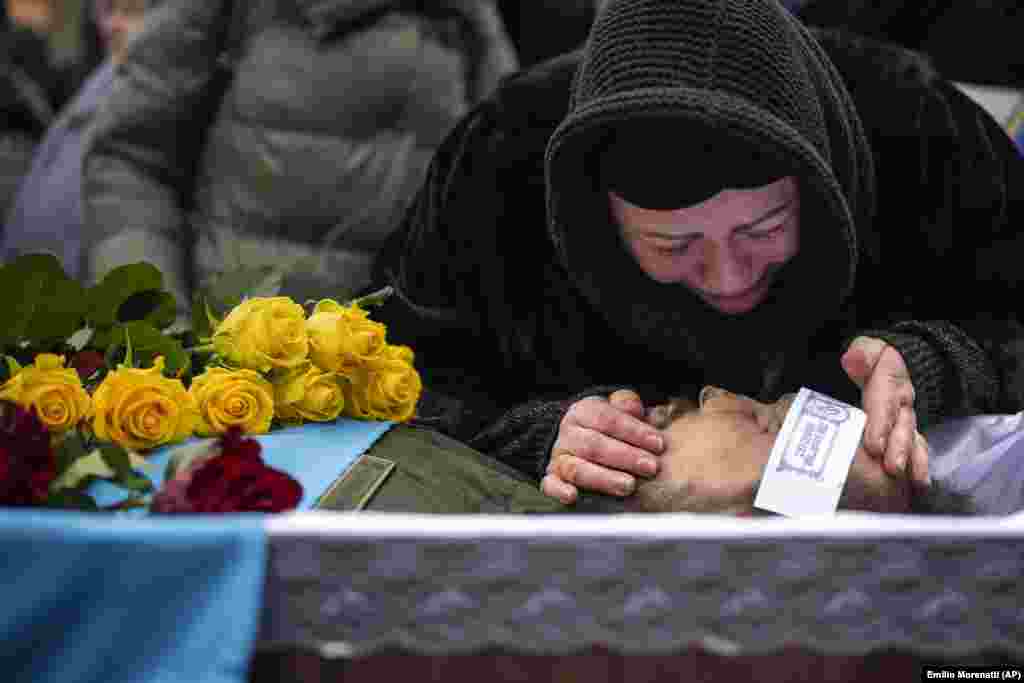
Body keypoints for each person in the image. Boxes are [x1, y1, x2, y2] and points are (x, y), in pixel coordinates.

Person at [371, 0, 1024, 508]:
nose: (729, 275)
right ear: (600, 224)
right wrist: (534, 436)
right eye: (674, 243)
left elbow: (1010, 316)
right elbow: (398, 366)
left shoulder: (919, 127)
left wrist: (941, 361)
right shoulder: (498, 161)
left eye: (762, 228)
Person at [80, 0, 517, 321]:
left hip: (387, 402)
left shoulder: (471, 21)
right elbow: (132, 161)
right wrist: (157, 332)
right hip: (220, 380)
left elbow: (494, 211)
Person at [3, 0, 147, 275]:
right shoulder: (96, 84)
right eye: (108, 11)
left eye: (130, 13)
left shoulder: (155, 105)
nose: (113, 25)